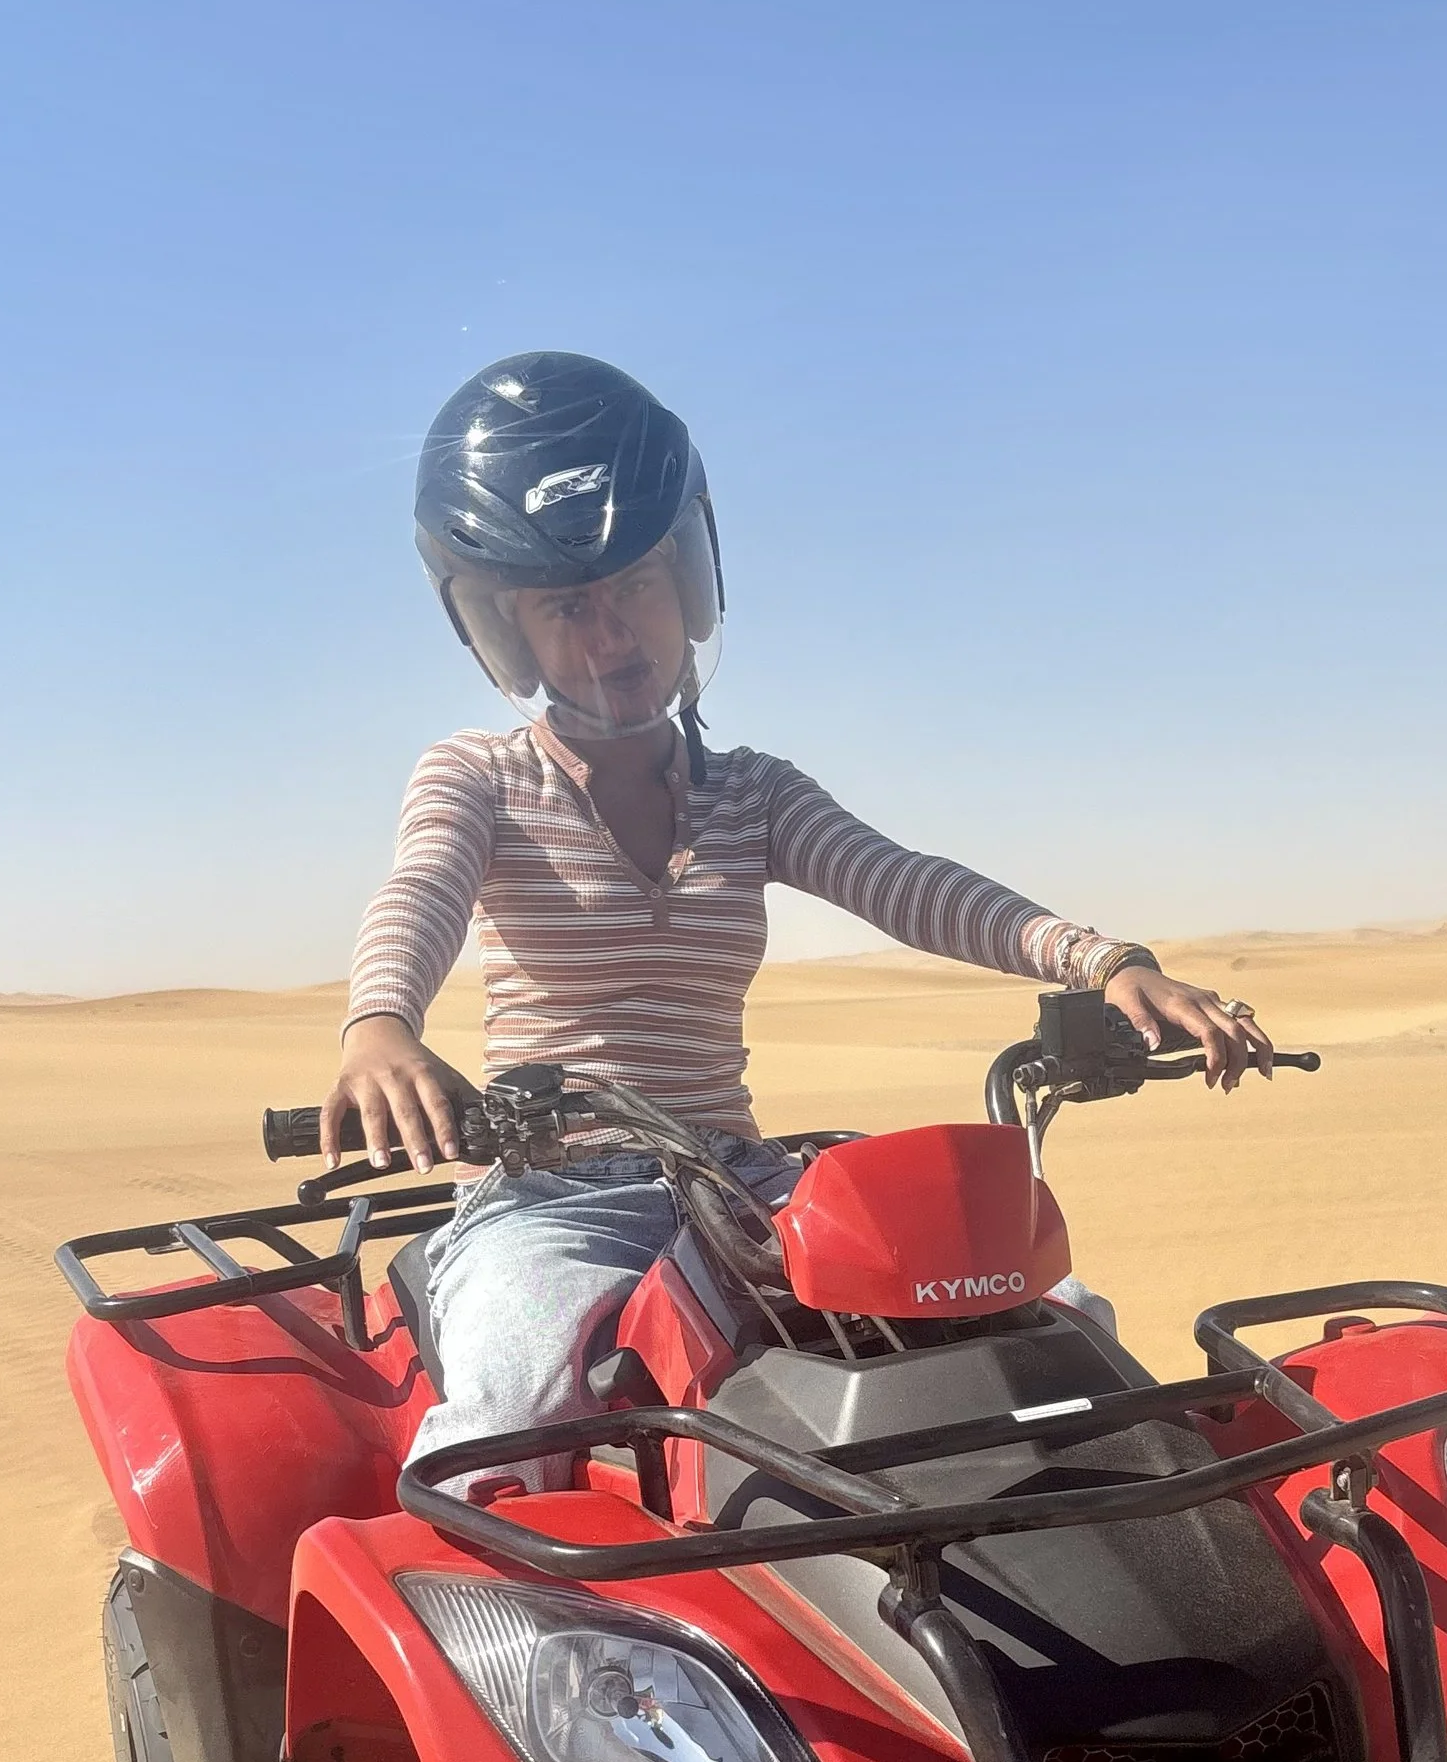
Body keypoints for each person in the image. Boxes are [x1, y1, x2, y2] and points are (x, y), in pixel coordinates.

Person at [328, 351, 1278, 1480]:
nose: (609, 636)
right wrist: (379, 1025)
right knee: (506, 1415)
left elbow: (908, 882)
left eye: (633, 584)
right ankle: (522, 1647)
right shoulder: (476, 776)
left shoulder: (754, 792)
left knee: (1048, 1313)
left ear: (685, 577)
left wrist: (1101, 960)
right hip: (554, 1197)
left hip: (738, 1178)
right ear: (507, 631)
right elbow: (420, 888)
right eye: (563, 606)